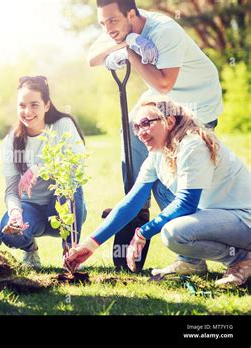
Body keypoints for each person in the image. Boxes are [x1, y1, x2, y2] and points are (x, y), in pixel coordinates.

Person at [88, 0, 224, 271]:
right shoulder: (117, 25)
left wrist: (130, 51)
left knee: (171, 177)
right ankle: (138, 207)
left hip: (198, 103)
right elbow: (92, 59)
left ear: (131, 13)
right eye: (102, 24)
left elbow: (163, 83)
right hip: (167, 100)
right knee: (131, 128)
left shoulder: (164, 30)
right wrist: (124, 40)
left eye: (112, 21)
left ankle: (191, 256)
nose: (107, 28)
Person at [66, 96, 251, 287]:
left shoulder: (192, 145)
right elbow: (131, 203)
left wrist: (142, 233)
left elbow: (187, 203)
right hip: (221, 218)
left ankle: (242, 259)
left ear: (169, 122)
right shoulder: (157, 155)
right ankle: (193, 262)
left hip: (244, 219)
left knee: (174, 233)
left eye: (146, 123)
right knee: (165, 205)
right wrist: (90, 244)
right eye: (136, 127)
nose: (140, 133)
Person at [0, 76, 87, 269]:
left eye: (34, 105)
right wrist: (15, 213)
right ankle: (30, 249)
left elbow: (77, 166)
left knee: (69, 184)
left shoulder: (62, 125)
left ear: (47, 105)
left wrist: (41, 168)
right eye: (22, 105)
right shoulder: (11, 141)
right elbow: (12, 190)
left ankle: (70, 252)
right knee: (7, 232)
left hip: (63, 207)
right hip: (31, 209)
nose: (27, 112)